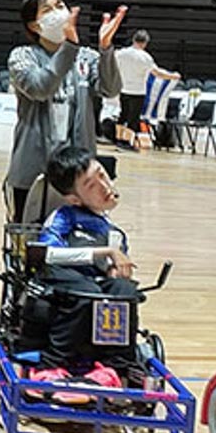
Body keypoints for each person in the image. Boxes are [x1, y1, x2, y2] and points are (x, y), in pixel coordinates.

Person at [28, 146, 143, 394]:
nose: (104, 185)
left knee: (123, 291)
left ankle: (113, 370)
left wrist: (116, 272)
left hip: (94, 283)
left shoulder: (114, 232)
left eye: (103, 175)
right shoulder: (64, 217)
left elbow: (113, 269)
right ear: (74, 198)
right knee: (87, 292)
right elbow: (49, 254)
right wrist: (105, 253)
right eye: (92, 185)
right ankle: (50, 367)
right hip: (60, 279)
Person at [6, 0, 125, 223]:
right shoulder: (22, 56)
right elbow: (40, 88)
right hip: (32, 171)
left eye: (60, 5)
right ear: (34, 25)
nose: (58, 13)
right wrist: (68, 47)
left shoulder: (86, 57)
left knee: (78, 240)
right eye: (47, 10)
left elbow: (110, 89)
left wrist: (106, 48)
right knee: (29, 243)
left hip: (80, 177)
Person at [114, 30, 179, 146]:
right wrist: (173, 76)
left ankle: (118, 139)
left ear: (133, 39)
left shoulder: (121, 53)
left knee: (123, 115)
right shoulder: (146, 57)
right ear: (145, 43)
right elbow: (157, 73)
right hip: (138, 91)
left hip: (123, 89)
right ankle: (126, 142)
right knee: (133, 118)